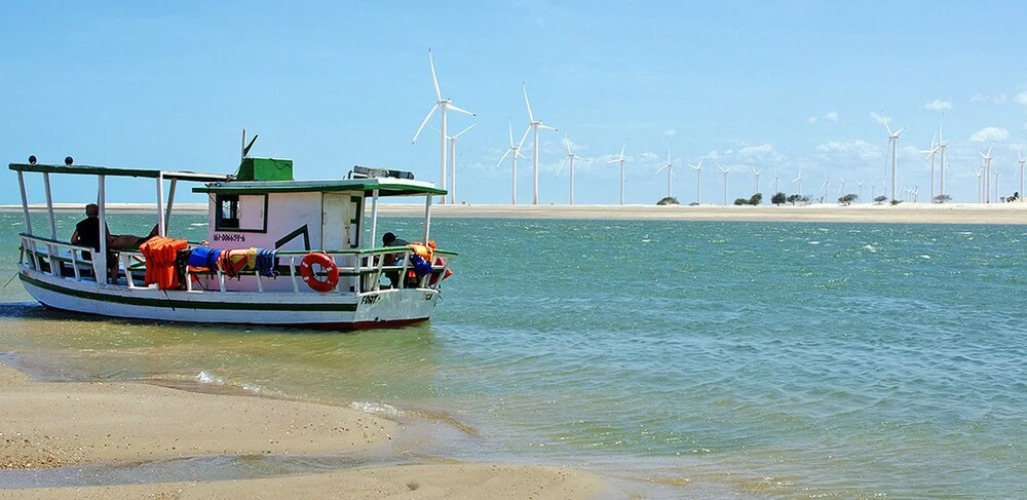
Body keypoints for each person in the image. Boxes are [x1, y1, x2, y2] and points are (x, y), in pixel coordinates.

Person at [70, 203, 117, 280]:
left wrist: (82, 242)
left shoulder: (81, 224)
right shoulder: (101, 223)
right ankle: (114, 281)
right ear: (98, 213)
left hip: (86, 255)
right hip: (101, 254)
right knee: (114, 262)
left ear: (86, 213)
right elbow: (109, 240)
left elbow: (73, 240)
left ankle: (96, 277)